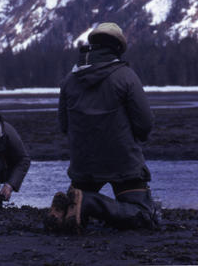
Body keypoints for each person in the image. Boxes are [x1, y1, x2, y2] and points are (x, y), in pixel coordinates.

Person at [45, 22, 159, 232]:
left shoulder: (69, 80)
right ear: (117, 48)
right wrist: (136, 139)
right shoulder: (125, 76)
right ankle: (87, 202)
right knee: (144, 217)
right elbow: (145, 122)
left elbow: (63, 125)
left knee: (76, 207)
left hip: (82, 165)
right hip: (123, 162)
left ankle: (68, 208)